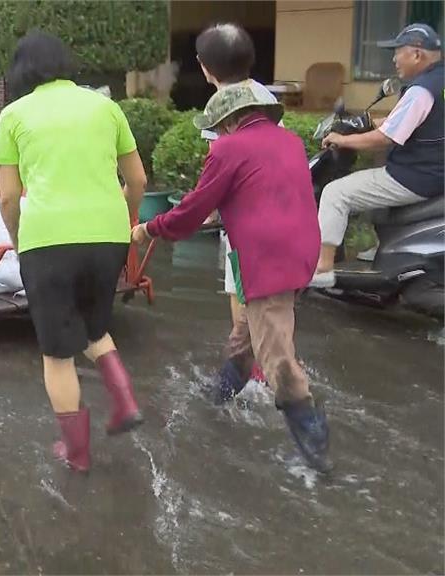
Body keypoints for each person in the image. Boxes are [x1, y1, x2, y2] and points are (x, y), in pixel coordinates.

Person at [132, 83, 332, 473]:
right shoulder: (289, 142)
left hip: (267, 260)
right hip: (301, 253)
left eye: (219, 127)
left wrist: (148, 229)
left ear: (230, 121)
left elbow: (191, 210)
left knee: (278, 360)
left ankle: (316, 454)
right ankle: (216, 400)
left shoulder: (229, 147)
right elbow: (265, 194)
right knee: (245, 337)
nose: (218, 135)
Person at [0, 31, 147, 472]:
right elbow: (137, 181)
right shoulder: (105, 106)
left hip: (49, 239)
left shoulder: (14, 115)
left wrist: (21, 242)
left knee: (58, 353)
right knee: (95, 326)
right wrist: (128, 220)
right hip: (108, 235)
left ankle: (76, 453)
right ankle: (125, 400)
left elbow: (6, 197)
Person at [311, 23, 443, 287]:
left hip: (414, 176)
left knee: (336, 193)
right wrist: (376, 120)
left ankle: (322, 267)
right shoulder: (438, 83)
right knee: (368, 184)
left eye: (398, 52)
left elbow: (386, 139)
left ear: (417, 55)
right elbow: (420, 121)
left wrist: (342, 139)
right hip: (436, 171)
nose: (394, 59)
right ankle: (379, 247)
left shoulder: (420, 90)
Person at [195, 23, 279, 394]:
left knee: (240, 291)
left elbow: (219, 163)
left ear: (204, 67)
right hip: (277, 208)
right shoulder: (264, 94)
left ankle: (251, 371)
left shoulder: (220, 105)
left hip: (246, 220)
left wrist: (206, 207)